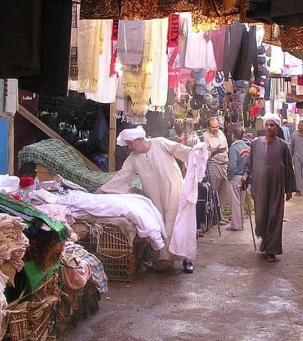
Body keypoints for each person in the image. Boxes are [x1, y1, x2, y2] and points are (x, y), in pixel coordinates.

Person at [97, 126, 197, 273]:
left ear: (139, 139)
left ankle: (187, 258)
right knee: (161, 224)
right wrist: (102, 190)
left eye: (131, 143)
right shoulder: (132, 158)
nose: (129, 147)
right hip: (154, 195)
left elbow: (180, 150)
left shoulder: (160, 143)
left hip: (174, 189)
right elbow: (122, 176)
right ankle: (164, 260)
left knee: (178, 222)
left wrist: (196, 152)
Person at [248, 114, 296, 262]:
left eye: (272, 125)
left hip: (277, 185)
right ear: (264, 127)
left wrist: (289, 189)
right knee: (261, 216)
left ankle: (272, 250)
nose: (269, 127)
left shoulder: (283, 145)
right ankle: (265, 239)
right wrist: (245, 176)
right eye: (267, 125)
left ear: (277, 127)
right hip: (259, 186)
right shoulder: (255, 143)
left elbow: (288, 166)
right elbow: (249, 163)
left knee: (275, 216)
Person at [202, 116, 229, 225]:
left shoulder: (221, 134)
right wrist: (216, 151)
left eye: (217, 127)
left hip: (224, 165)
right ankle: (215, 218)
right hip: (213, 165)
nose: (215, 129)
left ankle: (221, 215)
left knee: (223, 192)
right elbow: (205, 154)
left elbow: (226, 148)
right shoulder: (205, 137)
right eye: (213, 127)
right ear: (208, 127)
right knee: (214, 192)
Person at [226, 126, 250, 231]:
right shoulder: (248, 148)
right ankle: (241, 223)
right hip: (244, 177)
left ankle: (236, 225)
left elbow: (232, 166)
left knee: (235, 202)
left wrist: (229, 176)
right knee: (241, 201)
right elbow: (250, 164)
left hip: (235, 177)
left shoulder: (233, 148)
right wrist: (246, 175)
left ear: (232, 136)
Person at [289, 120, 303, 194]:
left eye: (302, 125)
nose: (300, 127)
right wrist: (290, 156)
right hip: (297, 157)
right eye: (299, 125)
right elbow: (291, 147)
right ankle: (299, 189)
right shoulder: (294, 135)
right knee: (298, 173)